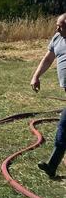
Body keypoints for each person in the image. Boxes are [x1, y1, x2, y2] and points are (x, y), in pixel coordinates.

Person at [30, 13, 66, 178]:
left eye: (61, 26)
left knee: (64, 125)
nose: (57, 29)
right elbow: (47, 59)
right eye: (57, 25)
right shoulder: (57, 38)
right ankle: (52, 166)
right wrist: (36, 76)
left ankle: (52, 165)